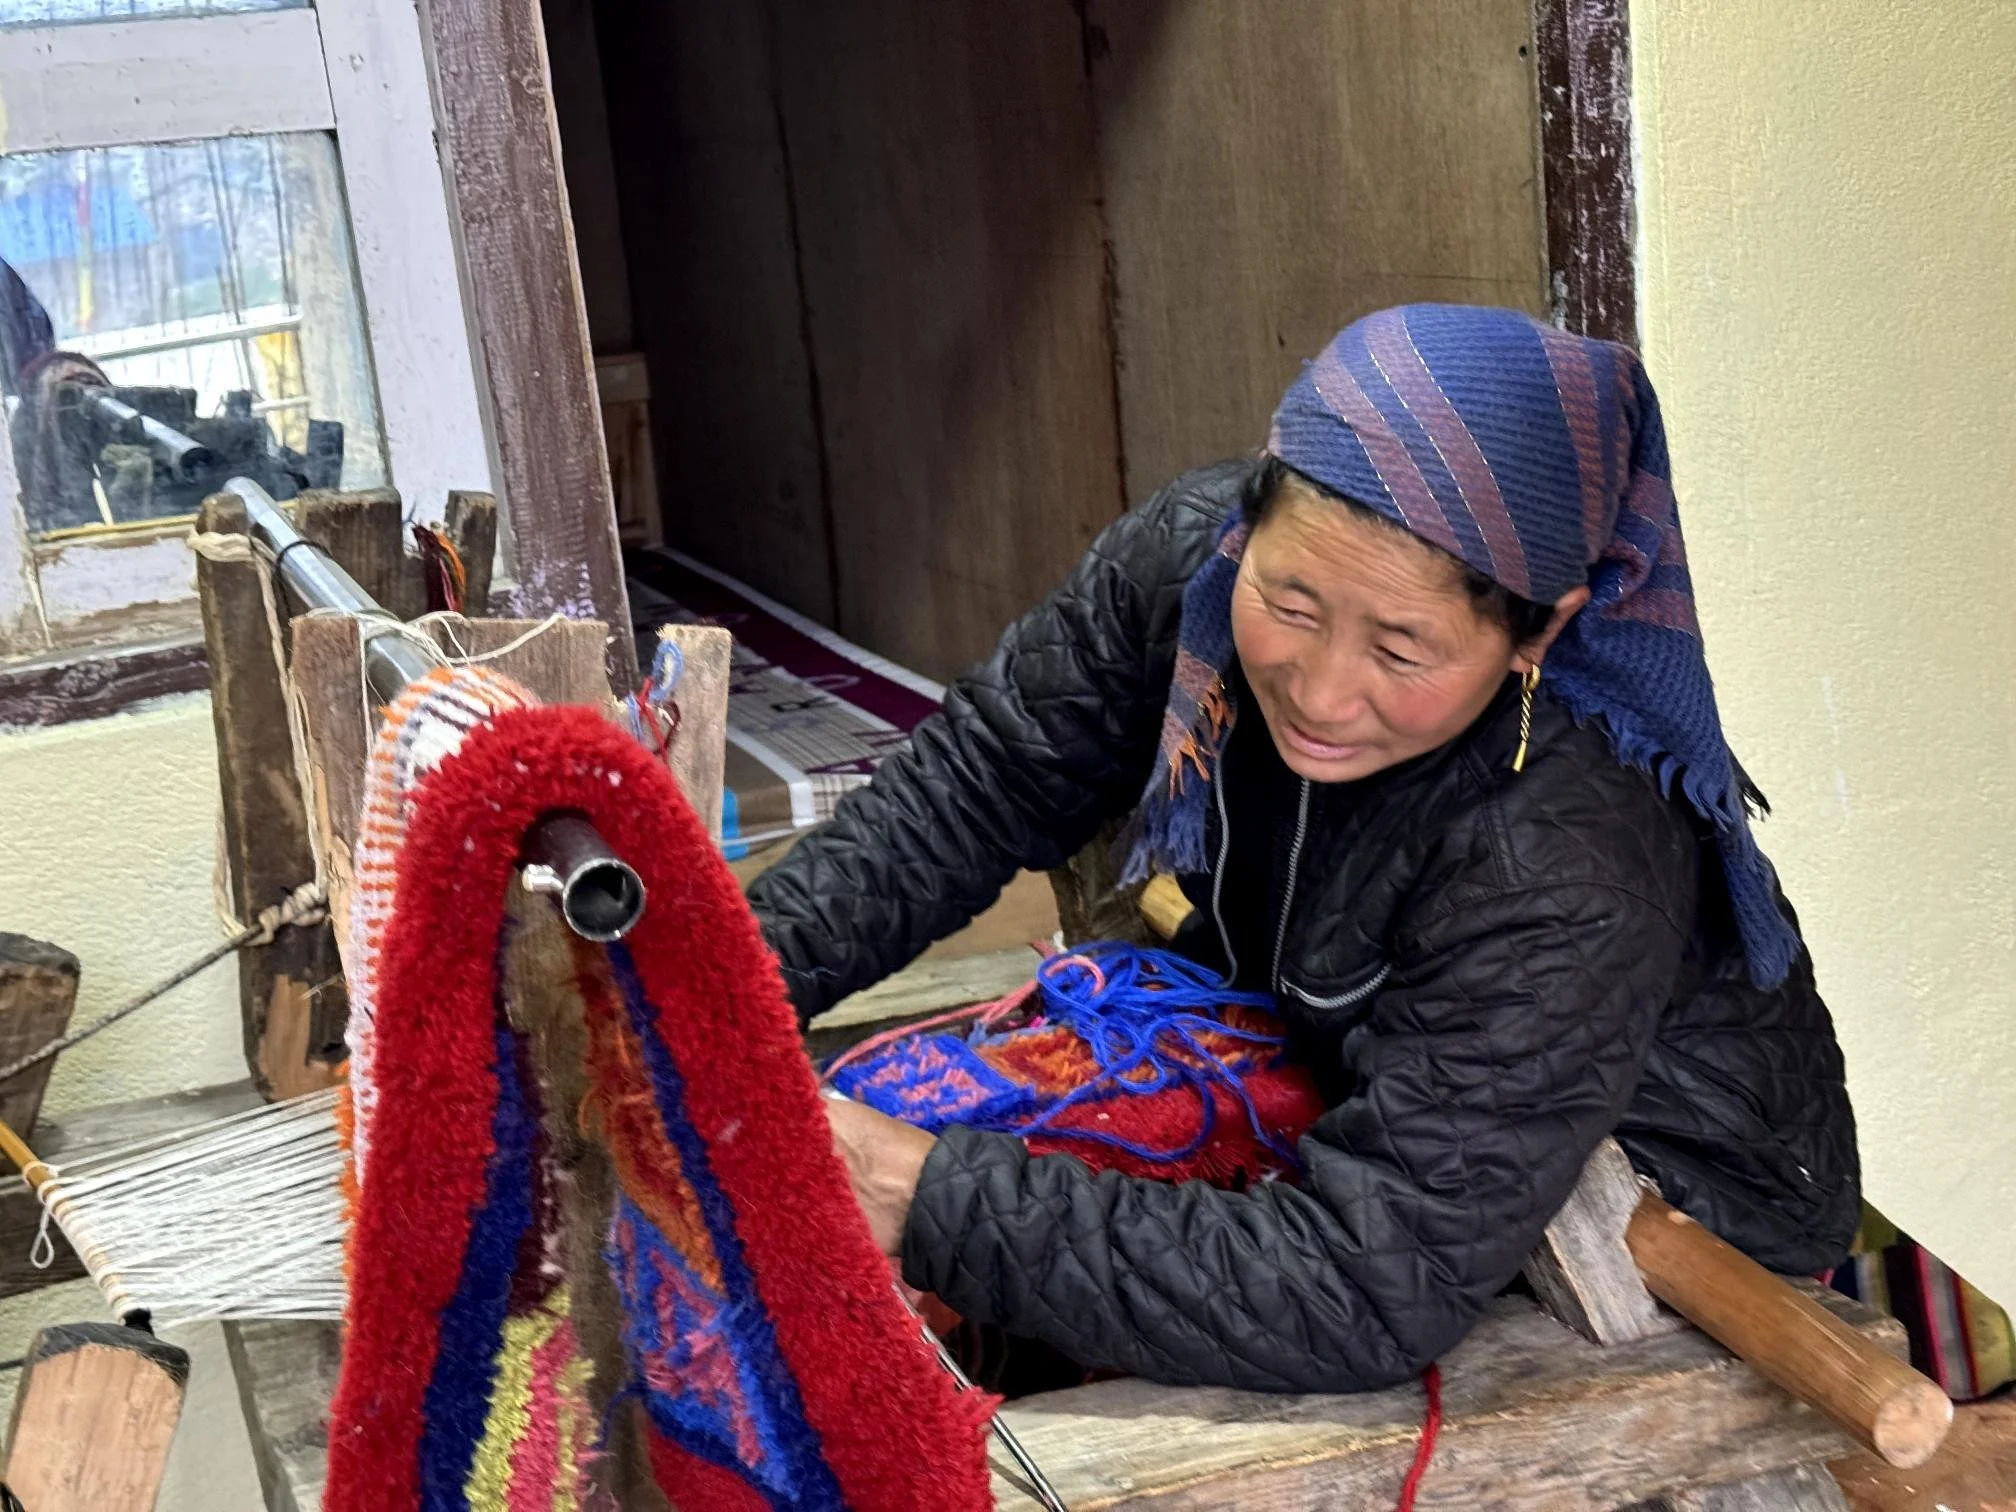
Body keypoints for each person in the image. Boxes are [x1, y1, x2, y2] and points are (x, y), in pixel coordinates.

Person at [747, 303, 1859, 1394]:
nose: (1321, 694)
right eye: (1289, 603)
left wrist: (922, 1193)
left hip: (1633, 1234)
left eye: (1402, 650)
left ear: (1542, 630)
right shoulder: (1194, 563)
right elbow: (978, 783)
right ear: (1249, 523)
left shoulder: (1565, 848)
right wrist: (722, 987)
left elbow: (1366, 1286)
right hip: (1368, 1095)